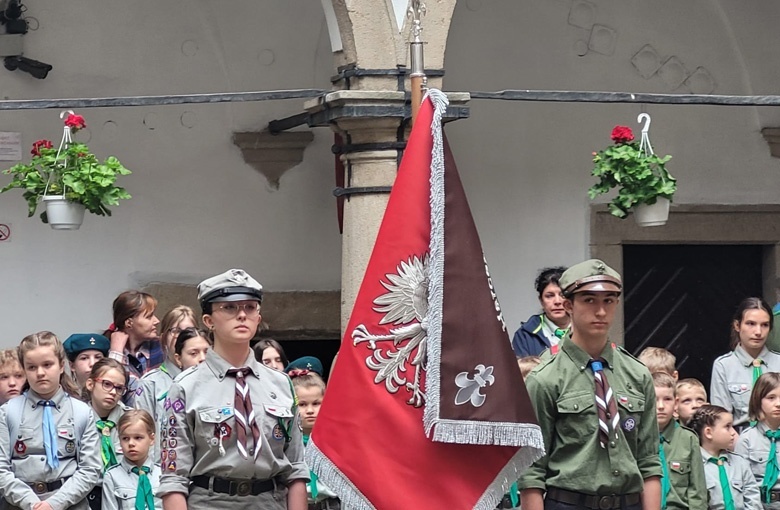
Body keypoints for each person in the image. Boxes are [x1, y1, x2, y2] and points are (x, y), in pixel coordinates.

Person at [157, 268, 308, 510]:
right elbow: (173, 477)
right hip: (210, 502)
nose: (241, 315)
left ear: (258, 317)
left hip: (270, 501)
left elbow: (297, 467)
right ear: (208, 321)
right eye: (229, 308)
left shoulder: (280, 384)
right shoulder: (186, 387)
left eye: (250, 307)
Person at [517, 259, 661, 510]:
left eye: (609, 300)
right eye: (589, 300)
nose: (601, 311)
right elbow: (531, 472)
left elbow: (649, 462)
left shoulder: (637, 374)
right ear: (568, 304)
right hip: (569, 502)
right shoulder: (545, 378)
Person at [0, 331, 101, 510]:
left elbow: (90, 469)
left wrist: (54, 504)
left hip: (71, 504)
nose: (40, 373)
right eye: (31, 367)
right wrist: (31, 504)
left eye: (47, 365)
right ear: (24, 370)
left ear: (61, 366)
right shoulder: (8, 413)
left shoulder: (82, 412)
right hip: (20, 505)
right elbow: (1, 469)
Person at [711, 297, 780, 431]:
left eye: (765, 325)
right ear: (737, 325)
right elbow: (720, 417)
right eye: (750, 324)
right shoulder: (724, 366)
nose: (758, 332)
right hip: (739, 441)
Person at [135, 305, 199, 423]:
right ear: (163, 338)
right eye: (176, 331)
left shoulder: (207, 379)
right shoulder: (150, 384)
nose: (182, 337)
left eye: (189, 331)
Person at [652, 371, 707, 509]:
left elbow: (697, 491)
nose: (661, 406)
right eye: (654, 399)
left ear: (676, 403)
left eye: (667, 399)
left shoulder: (688, 439)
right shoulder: (636, 438)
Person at [690, 405, 761, 509]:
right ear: (708, 432)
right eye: (727, 427)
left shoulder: (740, 463)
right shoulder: (694, 466)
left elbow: (752, 498)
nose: (733, 432)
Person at [84, 359, 132, 510]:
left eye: (119, 388)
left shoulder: (131, 421)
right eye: (107, 384)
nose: (113, 392)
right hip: (88, 496)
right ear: (90, 384)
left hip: (125, 496)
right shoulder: (77, 420)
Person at [289, 369, 338, 510]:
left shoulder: (335, 441)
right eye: (302, 404)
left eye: (316, 403)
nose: (310, 410)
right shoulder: (286, 443)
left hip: (332, 505)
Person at [105, 291, 163, 405]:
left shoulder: (161, 348)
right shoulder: (104, 349)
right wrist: (116, 354)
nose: (156, 321)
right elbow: (109, 395)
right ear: (129, 323)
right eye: (149, 317)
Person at [735, 372, 780, 507]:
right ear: (758, 400)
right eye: (771, 398)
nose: (778, 404)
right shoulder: (747, 439)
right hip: (760, 504)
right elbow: (742, 484)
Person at [102, 410, 161, 510]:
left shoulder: (162, 475)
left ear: (151, 439)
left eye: (138, 437)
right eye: (125, 438)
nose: (131, 443)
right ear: (119, 440)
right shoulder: (112, 476)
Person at [511, 266, 570, 357]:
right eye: (549, 296)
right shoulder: (524, 336)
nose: (557, 301)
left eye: (562, 295)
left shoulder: (587, 329)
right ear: (541, 300)